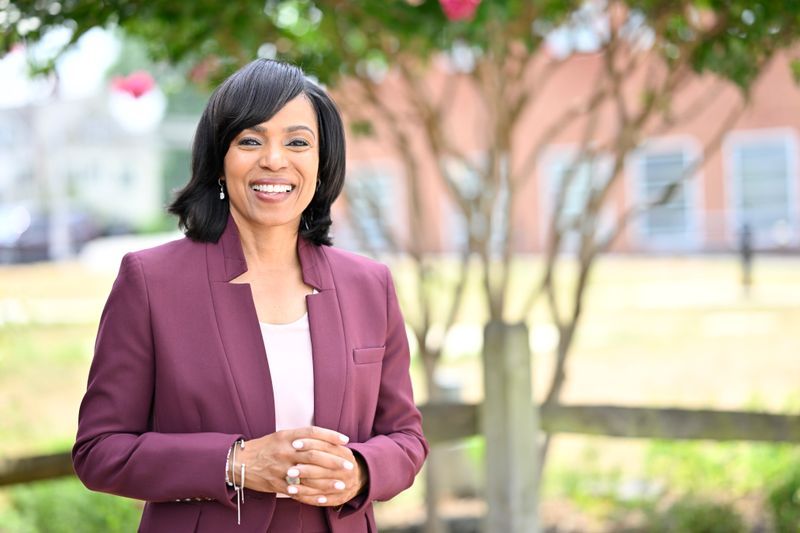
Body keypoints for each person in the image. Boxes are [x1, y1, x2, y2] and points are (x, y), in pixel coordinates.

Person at [73, 59, 428, 533]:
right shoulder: (151, 282)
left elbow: (405, 437)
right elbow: (100, 451)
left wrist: (361, 470)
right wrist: (234, 462)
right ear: (220, 161)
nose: (275, 160)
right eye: (251, 141)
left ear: (322, 165)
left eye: (298, 142)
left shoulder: (370, 285)